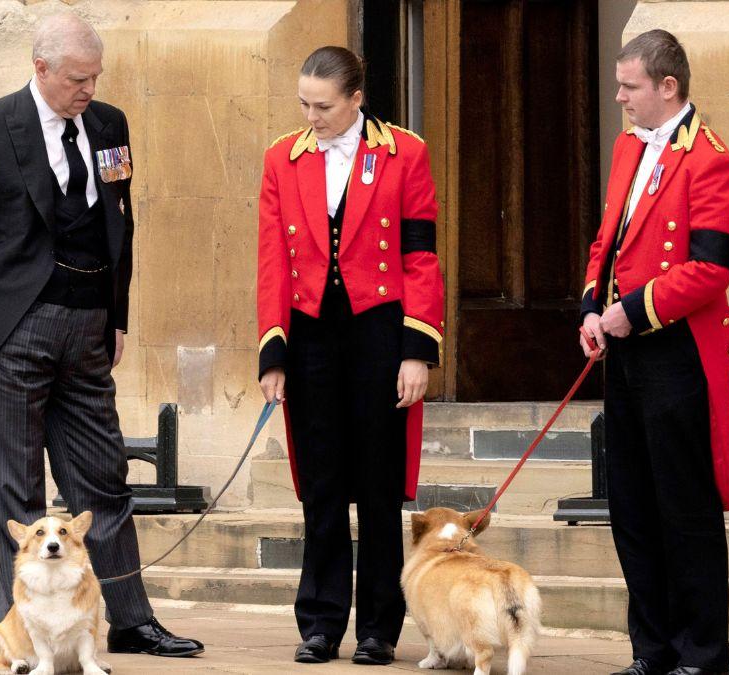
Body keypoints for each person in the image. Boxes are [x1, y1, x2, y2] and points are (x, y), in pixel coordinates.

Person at [0, 13, 203, 659]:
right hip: (10, 328)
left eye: (94, 78)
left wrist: (116, 317)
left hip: (86, 326)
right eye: (77, 79)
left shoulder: (109, 125)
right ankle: (23, 633)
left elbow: (122, 222)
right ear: (41, 69)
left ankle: (129, 620)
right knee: (15, 491)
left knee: (103, 479)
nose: (88, 90)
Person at [255, 46, 445, 666]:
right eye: (304, 103)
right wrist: (273, 353)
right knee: (323, 484)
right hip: (310, 336)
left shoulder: (405, 153)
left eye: (324, 106)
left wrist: (417, 351)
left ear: (357, 99)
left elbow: (420, 257)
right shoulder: (282, 159)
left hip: (380, 334)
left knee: (379, 484)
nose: (312, 116)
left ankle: (379, 629)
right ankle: (319, 622)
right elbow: (271, 263)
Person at [578, 30, 729, 675]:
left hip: (678, 355)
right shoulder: (628, 147)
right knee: (633, 508)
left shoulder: (712, 160)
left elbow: (710, 270)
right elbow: (607, 242)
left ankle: (701, 656)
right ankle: (651, 649)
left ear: (667, 87)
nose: (618, 98)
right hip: (624, 351)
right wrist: (592, 308)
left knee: (684, 510)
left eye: (629, 87)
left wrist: (630, 310)